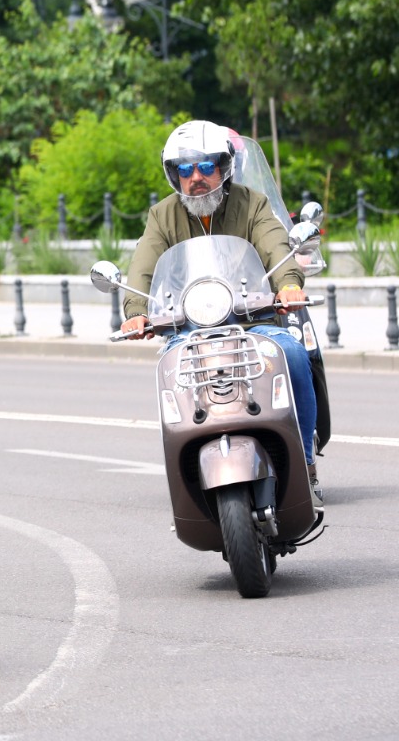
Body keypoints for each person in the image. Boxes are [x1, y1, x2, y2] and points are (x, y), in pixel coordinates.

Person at [120, 119, 323, 504]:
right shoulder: (162, 215)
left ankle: (306, 462)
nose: (195, 177)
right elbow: (143, 265)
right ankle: (186, 477)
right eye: (184, 169)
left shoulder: (252, 203)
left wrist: (288, 285)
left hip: (254, 322)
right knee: (169, 371)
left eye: (205, 166)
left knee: (293, 354)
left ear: (224, 167)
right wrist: (136, 310)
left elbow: (275, 246)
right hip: (187, 328)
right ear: (173, 175)